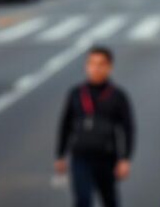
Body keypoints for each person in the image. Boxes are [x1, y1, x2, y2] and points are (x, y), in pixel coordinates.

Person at [55, 46, 135, 207]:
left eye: (101, 64)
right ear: (86, 66)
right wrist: (60, 155)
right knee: (83, 200)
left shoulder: (118, 96)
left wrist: (125, 159)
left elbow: (128, 128)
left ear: (109, 67)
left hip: (106, 158)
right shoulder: (76, 93)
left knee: (109, 200)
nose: (95, 68)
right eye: (91, 64)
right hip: (81, 157)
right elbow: (65, 124)